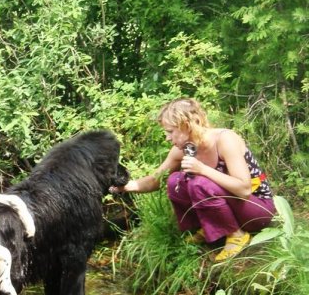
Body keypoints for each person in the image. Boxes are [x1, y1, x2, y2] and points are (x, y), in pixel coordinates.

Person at [110, 97, 276, 262]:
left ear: (186, 125)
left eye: (170, 131)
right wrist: (126, 186)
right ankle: (210, 227)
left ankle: (236, 235)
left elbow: (244, 189)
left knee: (199, 182)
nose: (167, 138)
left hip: (257, 209)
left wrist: (203, 170)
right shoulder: (182, 149)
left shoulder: (225, 140)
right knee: (175, 180)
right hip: (235, 206)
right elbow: (155, 179)